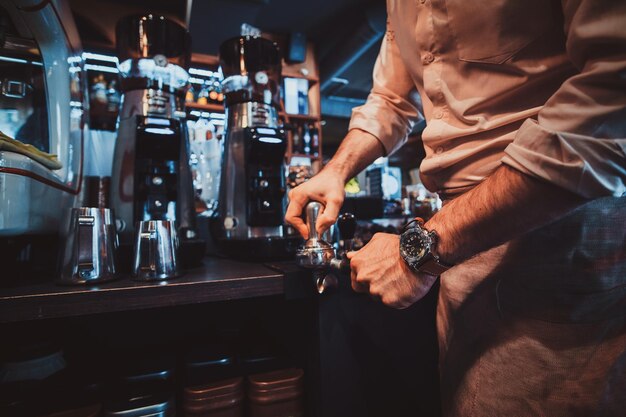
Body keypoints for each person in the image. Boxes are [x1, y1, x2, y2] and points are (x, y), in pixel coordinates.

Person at [285, 0, 626, 415]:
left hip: (562, 241)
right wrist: (336, 170)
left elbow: (612, 102)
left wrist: (418, 253)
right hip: (453, 251)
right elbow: (391, 98)